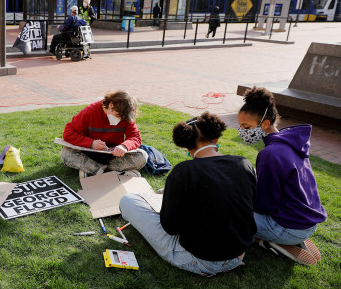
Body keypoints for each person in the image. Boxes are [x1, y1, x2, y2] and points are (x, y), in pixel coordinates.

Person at [120, 112, 257, 276]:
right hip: (238, 254)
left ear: (187, 147)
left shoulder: (184, 171)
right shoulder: (244, 163)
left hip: (199, 259)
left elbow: (170, 228)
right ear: (216, 139)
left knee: (128, 201)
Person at [237, 87, 326, 265]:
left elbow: (265, 204)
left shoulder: (270, 154)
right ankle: (290, 237)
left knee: (230, 212)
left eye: (246, 127)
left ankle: (268, 241)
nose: (242, 132)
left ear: (265, 124)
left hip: (289, 226)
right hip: (307, 222)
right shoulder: (290, 142)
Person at [61, 91, 147, 179]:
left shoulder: (126, 115)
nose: (120, 119)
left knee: (142, 156)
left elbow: (135, 137)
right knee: (66, 153)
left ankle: (93, 171)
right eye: (117, 115)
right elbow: (68, 133)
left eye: (122, 117)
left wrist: (124, 146)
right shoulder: (90, 111)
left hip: (114, 155)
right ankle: (114, 172)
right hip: (89, 153)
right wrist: (91, 143)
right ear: (111, 105)